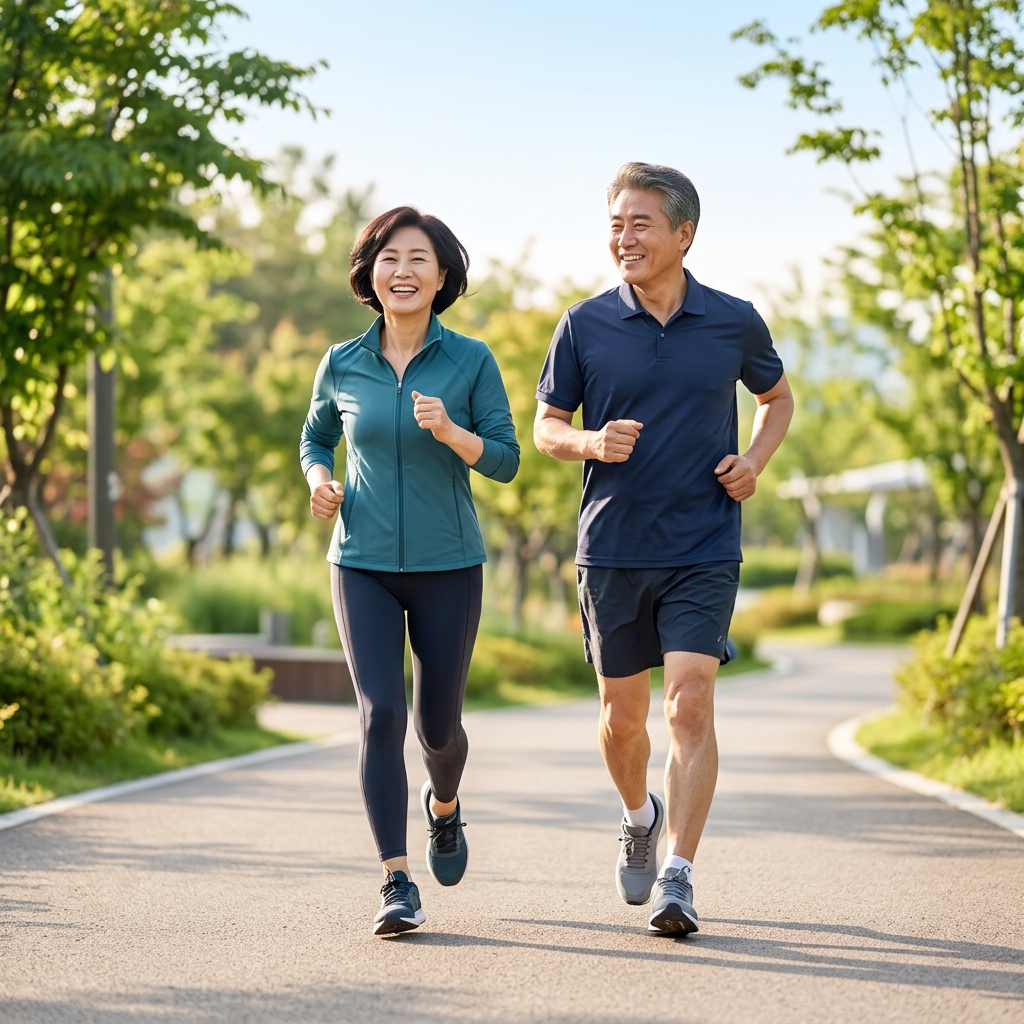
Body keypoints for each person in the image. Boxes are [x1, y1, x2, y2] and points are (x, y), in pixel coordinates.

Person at [534, 163, 793, 935]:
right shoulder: (583, 324)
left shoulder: (733, 320)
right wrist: (588, 440)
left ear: (684, 233)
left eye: (640, 223)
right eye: (616, 223)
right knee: (623, 718)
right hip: (612, 545)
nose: (624, 238)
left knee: (691, 703)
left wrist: (754, 461)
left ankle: (678, 874)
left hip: (704, 542)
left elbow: (776, 399)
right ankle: (637, 813)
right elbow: (546, 425)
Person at [300, 206, 519, 936]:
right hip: (359, 561)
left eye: (419, 258)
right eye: (390, 257)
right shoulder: (341, 362)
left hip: (448, 565)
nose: (403, 270)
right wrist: (317, 480)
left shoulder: (472, 361)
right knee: (380, 715)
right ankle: (396, 880)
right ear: (370, 272)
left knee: (437, 726)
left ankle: (445, 807)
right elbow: (314, 438)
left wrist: (454, 433)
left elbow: (508, 459)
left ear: (443, 276)